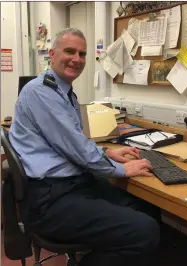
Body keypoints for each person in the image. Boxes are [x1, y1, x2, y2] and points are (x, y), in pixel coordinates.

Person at [9, 28, 160, 266]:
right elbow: (77, 149)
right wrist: (122, 170)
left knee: (147, 209)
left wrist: (106, 152)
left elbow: (72, 143)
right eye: (69, 51)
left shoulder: (64, 93)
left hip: (72, 184)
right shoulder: (41, 92)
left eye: (82, 54)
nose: (76, 59)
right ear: (51, 53)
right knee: (144, 231)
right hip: (50, 199)